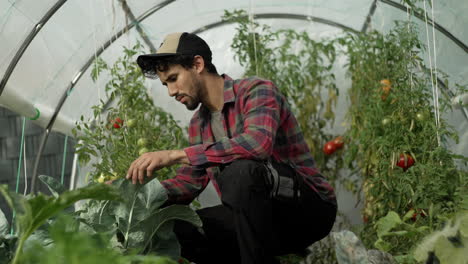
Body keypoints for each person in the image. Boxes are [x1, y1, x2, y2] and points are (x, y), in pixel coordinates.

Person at [128, 32, 337, 264]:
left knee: (240, 172)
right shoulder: (199, 123)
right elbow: (187, 184)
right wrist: (133, 196)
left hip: (309, 210)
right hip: (255, 221)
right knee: (173, 228)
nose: (171, 91)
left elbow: (257, 144)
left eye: (174, 78)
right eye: (166, 84)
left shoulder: (256, 90)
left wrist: (176, 155)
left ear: (197, 64)